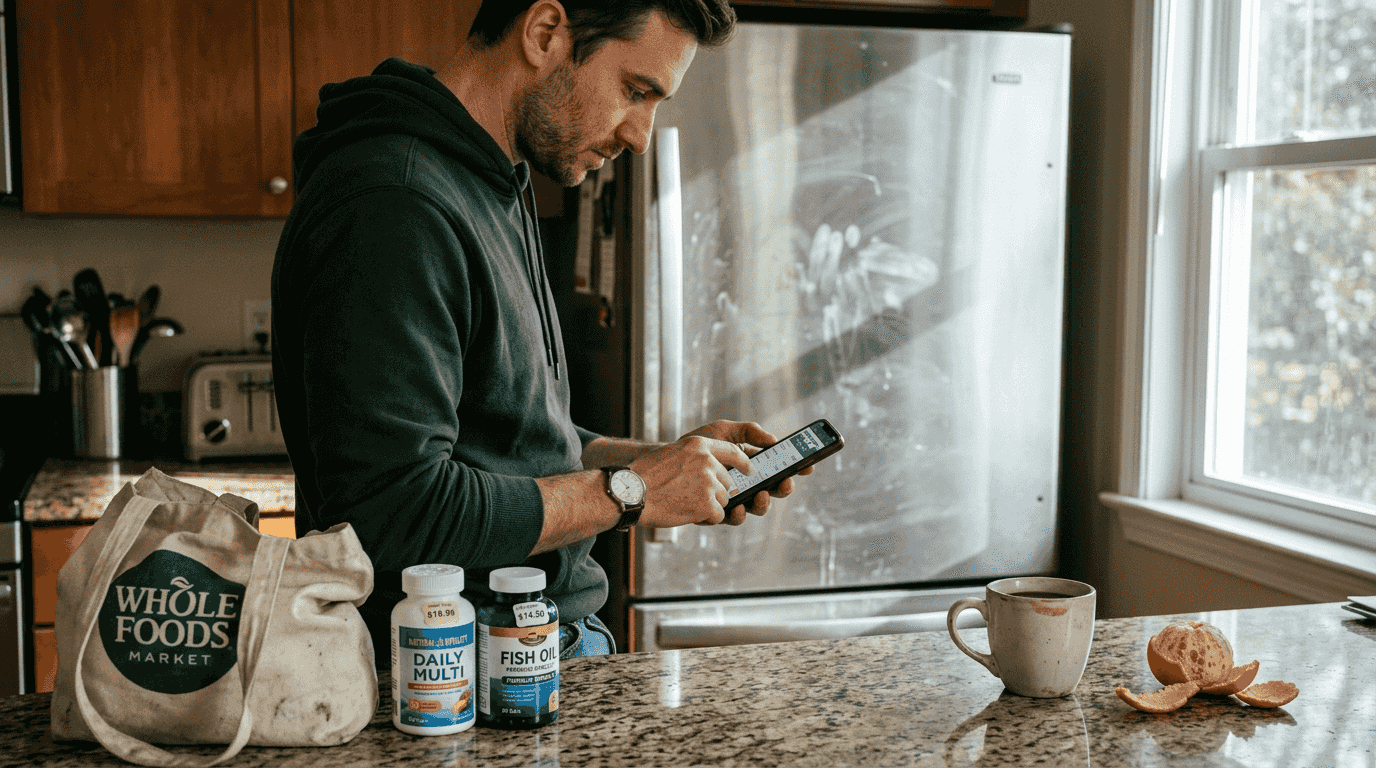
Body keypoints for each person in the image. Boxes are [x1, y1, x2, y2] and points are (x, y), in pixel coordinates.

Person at [271, 0, 810, 663]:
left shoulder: (494, 178)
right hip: (451, 677)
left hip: (525, 648)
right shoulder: (396, 201)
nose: (641, 133)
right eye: (636, 91)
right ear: (545, 32)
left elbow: (508, 442)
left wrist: (653, 464)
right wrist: (631, 493)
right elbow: (390, 513)